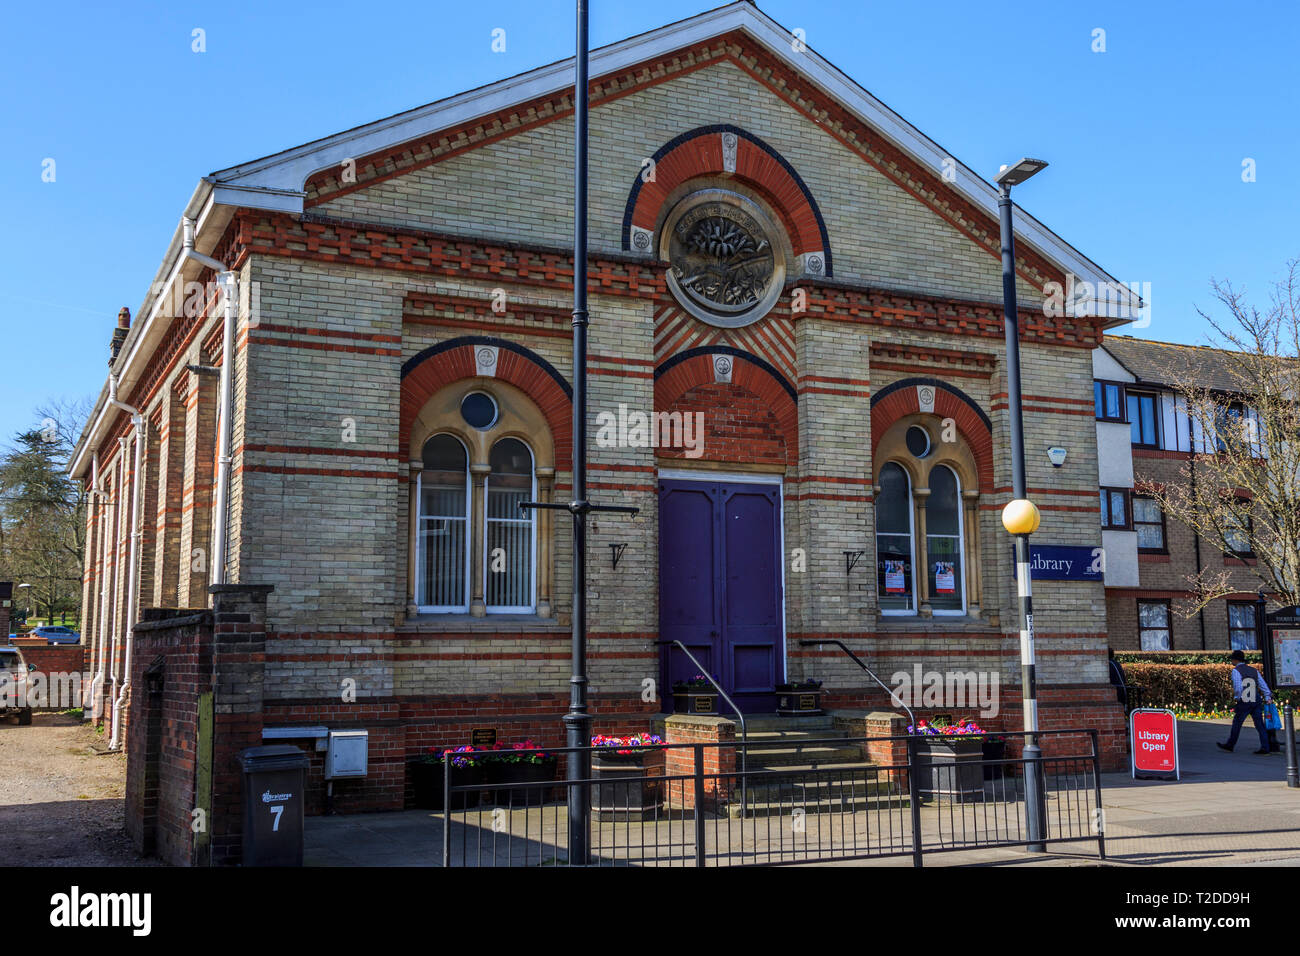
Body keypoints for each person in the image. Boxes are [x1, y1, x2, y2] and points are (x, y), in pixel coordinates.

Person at [1217, 649, 1274, 755]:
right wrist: (1267, 696)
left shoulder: (1236, 671)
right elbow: (1262, 685)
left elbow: (1238, 687)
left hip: (1245, 699)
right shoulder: (1254, 670)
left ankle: (1230, 744)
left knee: (1237, 723)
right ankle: (1265, 747)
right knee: (1259, 724)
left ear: (1235, 660)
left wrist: (1238, 698)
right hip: (1255, 698)